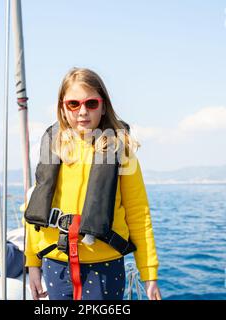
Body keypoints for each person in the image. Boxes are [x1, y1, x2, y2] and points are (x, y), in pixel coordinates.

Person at [24, 67, 161, 300]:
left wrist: (149, 274)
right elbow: (34, 204)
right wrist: (32, 263)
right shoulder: (53, 147)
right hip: (56, 265)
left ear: (103, 105)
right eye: (73, 104)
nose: (82, 112)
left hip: (104, 267)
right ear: (62, 107)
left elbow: (139, 213)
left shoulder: (121, 151)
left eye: (91, 103)